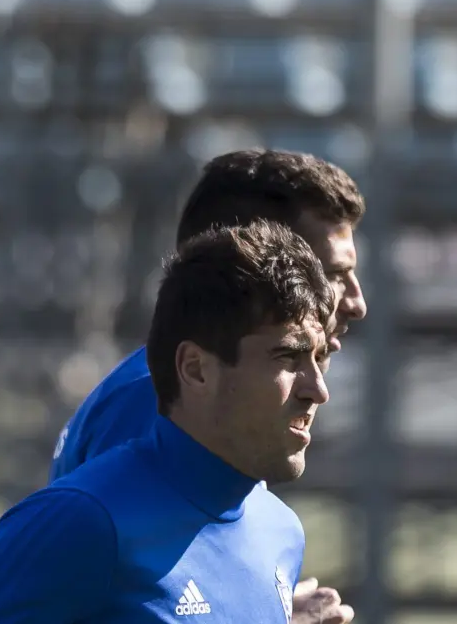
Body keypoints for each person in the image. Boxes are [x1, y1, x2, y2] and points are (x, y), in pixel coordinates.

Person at [0, 219, 334, 623]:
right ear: (196, 369)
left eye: (319, 358)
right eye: (287, 357)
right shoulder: (84, 521)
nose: (317, 390)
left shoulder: (281, 532)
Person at [49, 149, 364, 623]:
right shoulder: (157, 403)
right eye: (331, 274)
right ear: (250, 256)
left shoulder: (204, 409)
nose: (355, 302)